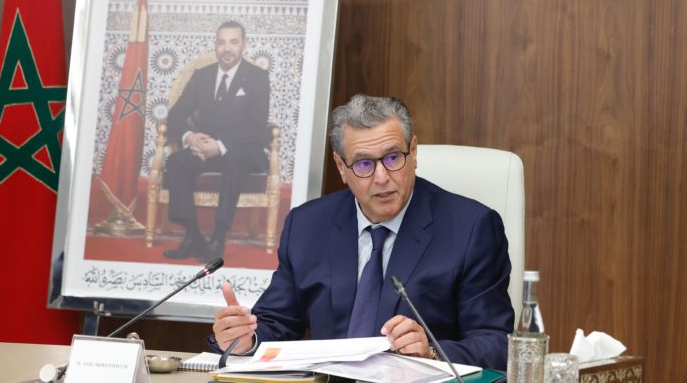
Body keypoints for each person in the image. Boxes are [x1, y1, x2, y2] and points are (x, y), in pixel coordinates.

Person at [210, 94, 514, 369]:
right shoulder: (307, 226)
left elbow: (497, 344)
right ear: (341, 166)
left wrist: (431, 352)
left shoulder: (471, 229)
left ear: (413, 152)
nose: (382, 177)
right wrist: (244, 340)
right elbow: (278, 324)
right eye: (364, 164)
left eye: (393, 158)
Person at [163, 21, 270, 262]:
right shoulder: (202, 76)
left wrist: (220, 147)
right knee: (177, 161)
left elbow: (256, 127)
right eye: (221, 42)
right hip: (205, 148)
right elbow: (176, 114)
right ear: (215, 45)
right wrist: (189, 137)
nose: (227, 48)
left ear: (244, 44)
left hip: (242, 151)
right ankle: (193, 236)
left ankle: (218, 238)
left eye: (233, 42)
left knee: (233, 160)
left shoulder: (258, 77)